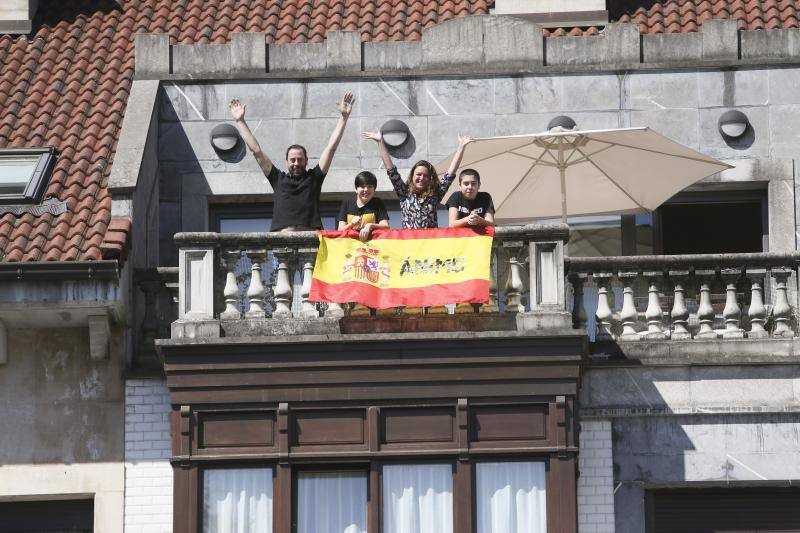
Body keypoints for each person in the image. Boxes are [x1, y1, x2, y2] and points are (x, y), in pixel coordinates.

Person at [229, 91, 355, 232]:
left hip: (310, 240)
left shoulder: (314, 178)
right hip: (283, 241)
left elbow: (331, 148)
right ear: (286, 162)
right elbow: (256, 151)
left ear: (306, 161)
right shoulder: (277, 178)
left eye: (300, 160)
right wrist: (240, 121)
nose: (296, 163)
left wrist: (343, 118)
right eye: (292, 160)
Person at [362, 131, 472, 229]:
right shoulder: (404, 192)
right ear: (412, 176)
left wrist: (461, 147)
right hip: (410, 245)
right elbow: (391, 170)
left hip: (430, 244)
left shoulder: (435, 193)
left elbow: (450, 173)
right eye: (418, 174)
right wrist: (380, 142)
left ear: (430, 179)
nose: (421, 178)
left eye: (425, 176)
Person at [337, 170, 390, 241]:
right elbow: (340, 230)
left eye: (369, 187)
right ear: (356, 189)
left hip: (372, 248)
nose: (366, 190)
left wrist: (370, 225)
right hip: (350, 248)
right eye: (362, 186)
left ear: (374, 190)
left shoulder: (378, 202)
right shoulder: (347, 203)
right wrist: (352, 224)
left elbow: (386, 226)